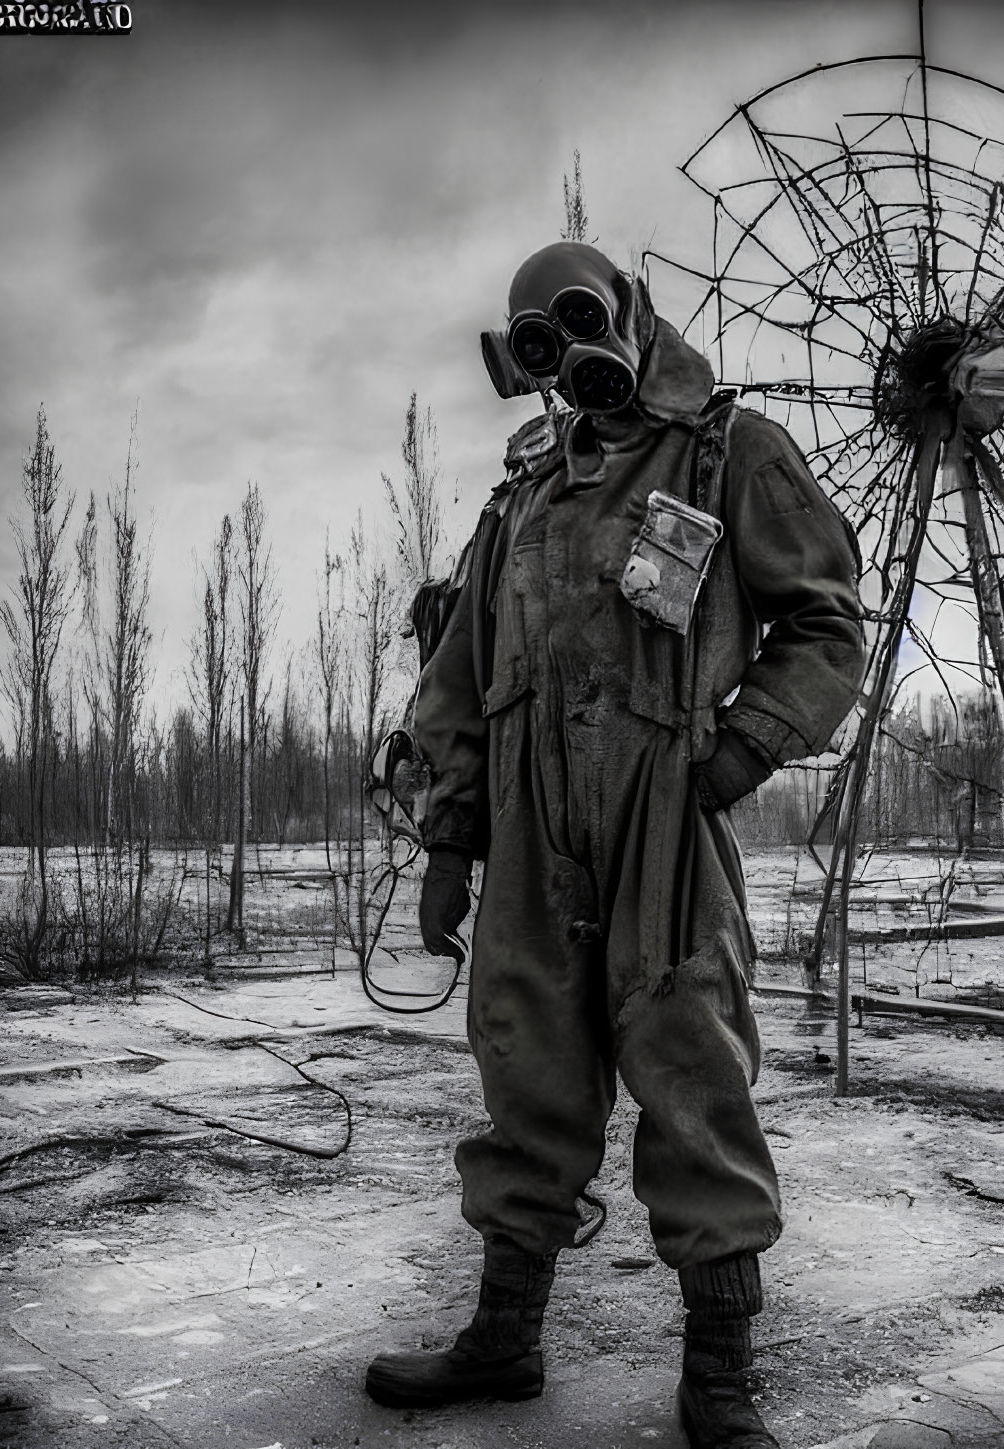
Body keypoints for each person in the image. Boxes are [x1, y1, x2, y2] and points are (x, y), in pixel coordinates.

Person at [365, 241, 864, 1449]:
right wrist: (449, 843)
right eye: (537, 337)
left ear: (631, 316)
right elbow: (461, 678)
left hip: (664, 819)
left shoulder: (726, 451)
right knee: (524, 1065)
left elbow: (826, 621)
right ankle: (503, 1338)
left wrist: (741, 749)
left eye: (578, 319)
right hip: (535, 836)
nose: (565, 354)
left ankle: (721, 1373)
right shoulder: (522, 495)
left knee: (692, 1068)